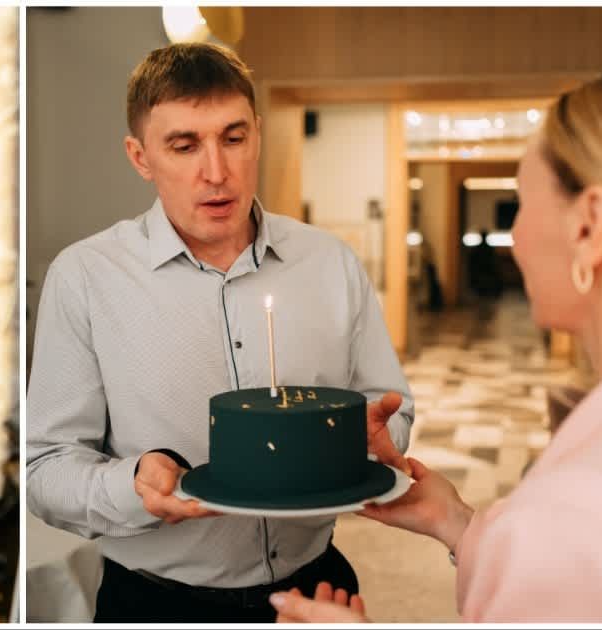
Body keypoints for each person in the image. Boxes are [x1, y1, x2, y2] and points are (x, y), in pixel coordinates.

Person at [26, 42, 414, 623]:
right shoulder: (85, 278)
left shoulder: (330, 263)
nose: (217, 171)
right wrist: (133, 487)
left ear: (257, 134)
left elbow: (391, 412)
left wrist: (359, 440)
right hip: (155, 603)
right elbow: (45, 469)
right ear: (140, 156)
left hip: (317, 590)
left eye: (233, 139)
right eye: (184, 146)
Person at [270, 74, 602, 623]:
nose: (518, 236)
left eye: (523, 203)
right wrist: (455, 521)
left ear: (590, 225)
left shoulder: (579, 503)